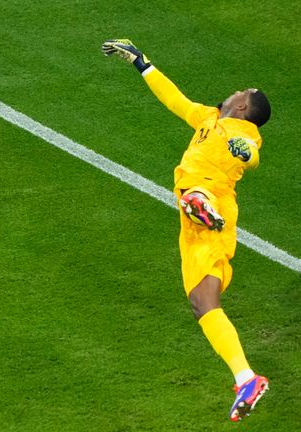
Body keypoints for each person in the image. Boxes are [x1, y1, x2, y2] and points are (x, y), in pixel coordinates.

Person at [102, 38, 271, 422]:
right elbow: (175, 100)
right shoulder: (209, 119)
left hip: (215, 200)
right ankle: (246, 378)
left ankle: (200, 205)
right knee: (201, 304)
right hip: (194, 224)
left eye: (239, 92)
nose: (232, 92)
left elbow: (253, 153)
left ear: (243, 106)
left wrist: (248, 154)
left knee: (195, 192)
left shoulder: (244, 134)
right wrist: (142, 63)